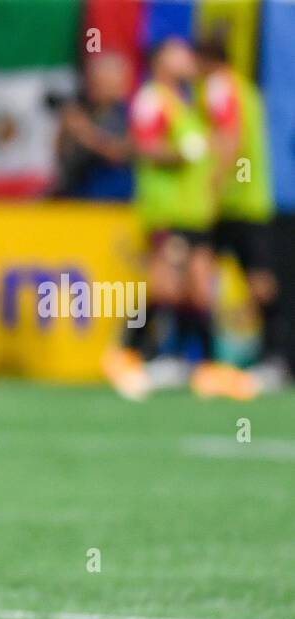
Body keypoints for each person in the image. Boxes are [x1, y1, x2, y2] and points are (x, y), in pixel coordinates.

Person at [103, 37, 249, 400]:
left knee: (199, 288)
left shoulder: (185, 102)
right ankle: (125, 352)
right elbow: (142, 147)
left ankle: (202, 366)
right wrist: (180, 153)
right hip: (168, 209)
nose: (187, 58)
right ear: (160, 62)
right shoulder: (153, 98)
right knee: (164, 285)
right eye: (177, 53)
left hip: (194, 210)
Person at [197, 34, 286, 392]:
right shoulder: (244, 87)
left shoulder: (219, 86)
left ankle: (273, 356)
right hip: (247, 200)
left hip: (237, 203)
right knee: (209, 275)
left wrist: (211, 187)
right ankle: (215, 356)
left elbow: (228, 139)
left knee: (256, 282)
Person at [54, 52, 133, 200]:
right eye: (94, 81)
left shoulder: (130, 113)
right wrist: (65, 128)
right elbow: (62, 156)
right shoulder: (85, 111)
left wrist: (85, 132)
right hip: (82, 197)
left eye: (103, 82)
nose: (96, 87)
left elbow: (122, 152)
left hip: (118, 198)